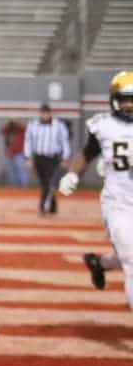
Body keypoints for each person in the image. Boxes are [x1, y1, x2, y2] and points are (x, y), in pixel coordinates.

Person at [58, 70, 133, 310]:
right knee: (131, 259)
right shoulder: (104, 125)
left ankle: (99, 263)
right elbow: (86, 154)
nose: (129, 105)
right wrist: (73, 173)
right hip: (119, 203)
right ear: (114, 100)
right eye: (125, 100)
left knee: (127, 255)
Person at [24, 103, 71, 215]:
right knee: (44, 183)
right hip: (39, 158)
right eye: (43, 113)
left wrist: (65, 157)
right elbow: (28, 141)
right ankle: (53, 207)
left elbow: (64, 141)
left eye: (47, 113)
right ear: (40, 113)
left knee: (49, 182)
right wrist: (28, 157)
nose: (45, 115)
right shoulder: (33, 125)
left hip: (52, 158)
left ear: (50, 113)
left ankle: (43, 207)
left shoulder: (58, 125)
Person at [0, 118, 28, 186]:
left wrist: (16, 123)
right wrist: (9, 124)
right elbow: (1, 131)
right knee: (12, 172)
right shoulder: (8, 129)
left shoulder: (20, 129)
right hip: (10, 153)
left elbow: (25, 129)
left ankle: (24, 187)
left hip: (19, 153)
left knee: (21, 170)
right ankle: (15, 188)